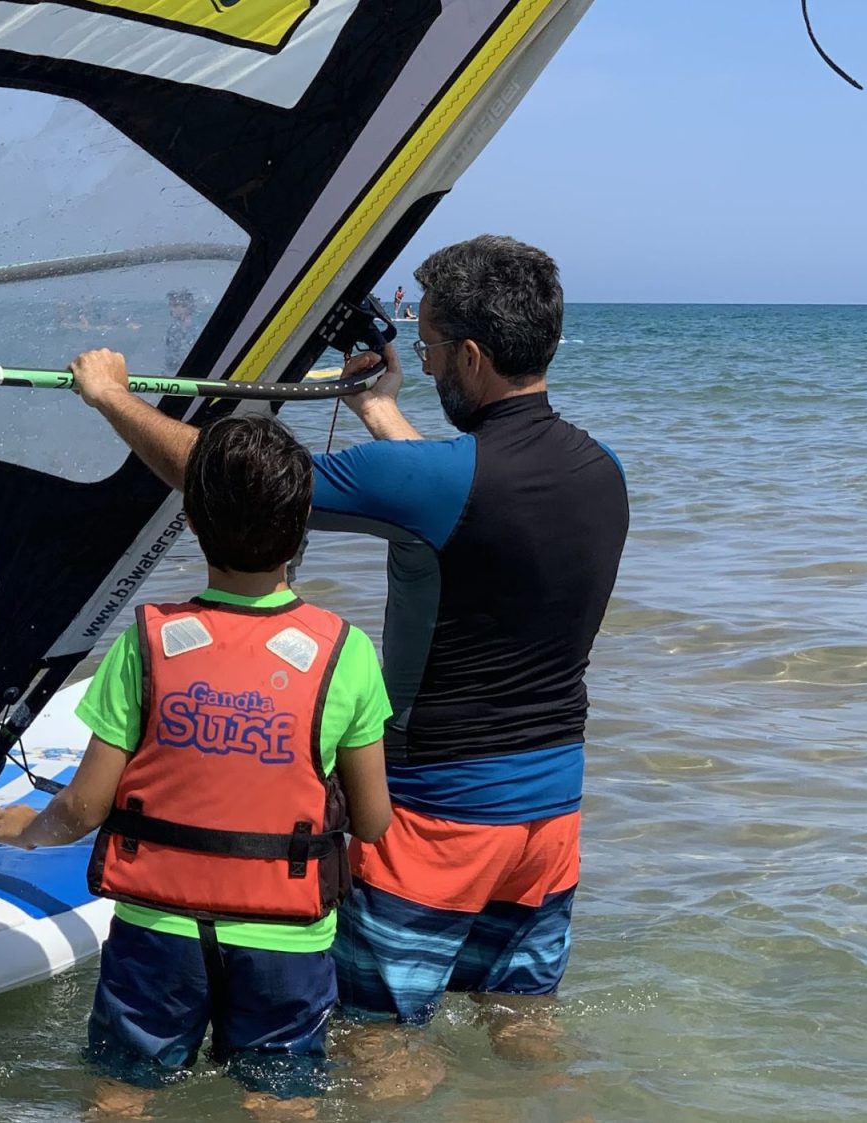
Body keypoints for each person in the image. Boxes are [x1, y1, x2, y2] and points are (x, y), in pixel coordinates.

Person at [68, 234, 629, 1075]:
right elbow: (449, 487)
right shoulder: (602, 469)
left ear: (472, 355)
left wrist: (110, 397)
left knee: (378, 1041)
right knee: (520, 1026)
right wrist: (378, 406)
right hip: (548, 817)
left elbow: (236, 481)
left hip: (438, 819)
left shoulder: (441, 482)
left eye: (434, 346)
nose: (428, 360)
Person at [0, 415, 392, 1115]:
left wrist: (27, 828)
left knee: (122, 1090)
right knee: (281, 1100)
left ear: (193, 524)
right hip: (285, 939)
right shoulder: (346, 652)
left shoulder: (146, 644)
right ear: (302, 529)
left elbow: (83, 808)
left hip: (158, 932)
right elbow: (375, 821)